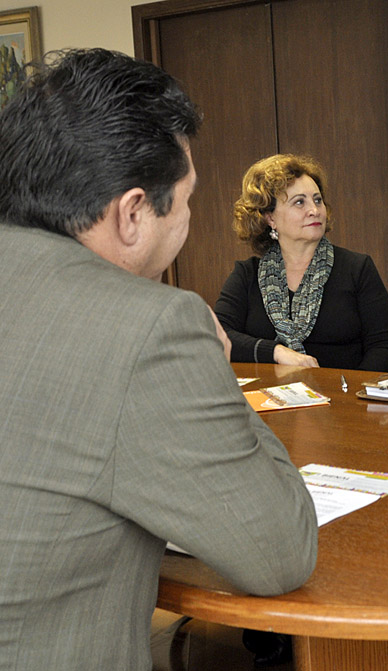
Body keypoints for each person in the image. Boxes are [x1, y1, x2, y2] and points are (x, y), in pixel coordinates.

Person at [0, 49, 317, 670]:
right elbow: (280, 551)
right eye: (188, 199)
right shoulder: (148, 329)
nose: (193, 219)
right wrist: (216, 370)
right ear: (133, 213)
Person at [215, 154, 388, 371]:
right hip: (270, 398)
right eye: (299, 202)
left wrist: (352, 393)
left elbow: (385, 346)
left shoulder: (356, 268)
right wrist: (277, 352)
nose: (315, 210)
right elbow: (218, 335)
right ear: (270, 218)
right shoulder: (247, 275)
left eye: (317, 200)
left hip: (342, 396)